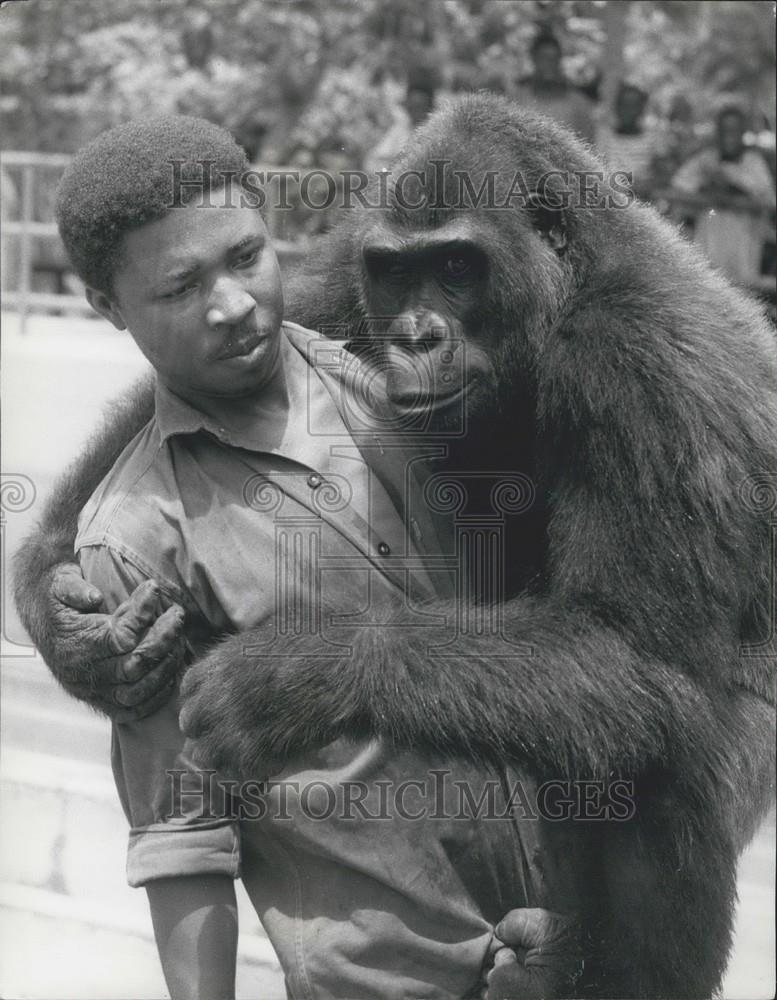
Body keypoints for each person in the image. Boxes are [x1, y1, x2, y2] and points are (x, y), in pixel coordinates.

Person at [53, 116, 578, 1000]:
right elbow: (183, 839)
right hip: (387, 981)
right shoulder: (136, 539)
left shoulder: (398, 380)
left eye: (245, 256)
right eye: (181, 286)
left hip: (557, 952)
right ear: (110, 308)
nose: (232, 303)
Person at [670, 103, 775, 285]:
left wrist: (734, 189)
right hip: (710, 235)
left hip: (743, 241)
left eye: (734, 130)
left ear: (742, 132)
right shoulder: (705, 159)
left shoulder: (754, 163)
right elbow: (679, 185)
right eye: (724, 130)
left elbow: (767, 199)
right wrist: (706, 189)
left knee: (742, 288)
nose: (728, 135)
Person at [514, 31, 596, 144]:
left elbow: (589, 145)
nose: (549, 64)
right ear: (533, 59)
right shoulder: (517, 101)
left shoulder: (579, 104)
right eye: (543, 58)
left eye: (554, 59)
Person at [596, 82, 663, 200]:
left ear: (642, 109)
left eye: (633, 106)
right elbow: (598, 171)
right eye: (623, 105)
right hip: (610, 198)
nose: (627, 111)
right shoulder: (605, 137)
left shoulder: (652, 140)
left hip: (642, 200)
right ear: (616, 107)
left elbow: (660, 175)